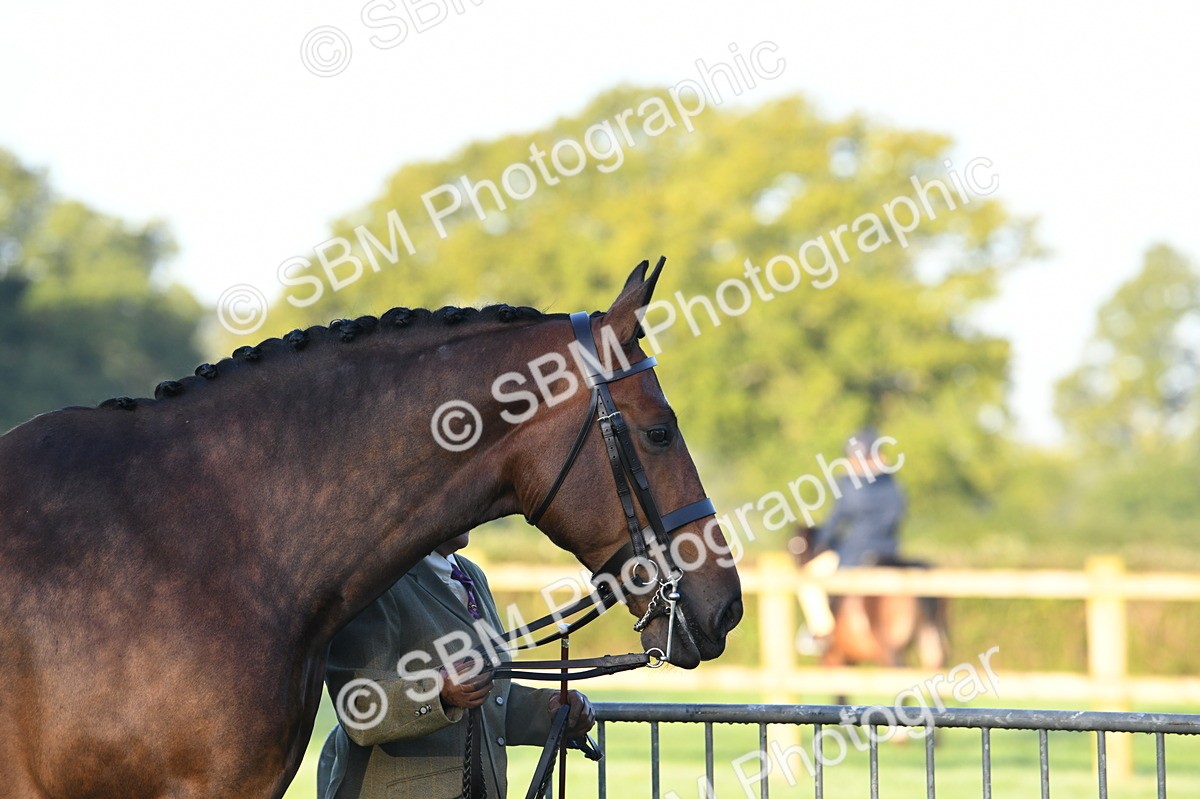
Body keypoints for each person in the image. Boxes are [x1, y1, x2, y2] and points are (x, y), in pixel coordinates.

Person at [317, 532, 595, 799]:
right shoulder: (373, 577)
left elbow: (487, 701)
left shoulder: (471, 574)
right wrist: (439, 690)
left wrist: (550, 712)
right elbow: (360, 709)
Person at [796, 430, 906, 652]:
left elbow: (836, 519)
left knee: (807, 578)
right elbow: (897, 516)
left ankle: (822, 631)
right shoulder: (893, 485)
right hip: (889, 551)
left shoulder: (850, 484)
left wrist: (821, 542)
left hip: (855, 553)